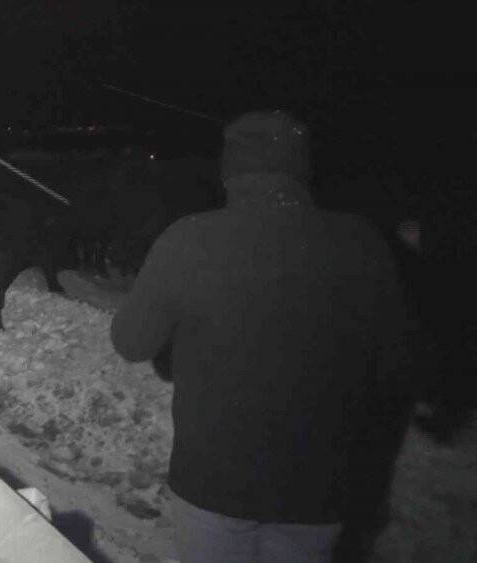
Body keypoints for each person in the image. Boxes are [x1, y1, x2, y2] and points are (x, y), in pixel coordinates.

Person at [110, 110, 415, 563]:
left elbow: (130, 341)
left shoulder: (188, 239)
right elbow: (397, 365)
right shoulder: (362, 242)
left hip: (212, 484)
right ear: (303, 169)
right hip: (318, 490)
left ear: (229, 171)